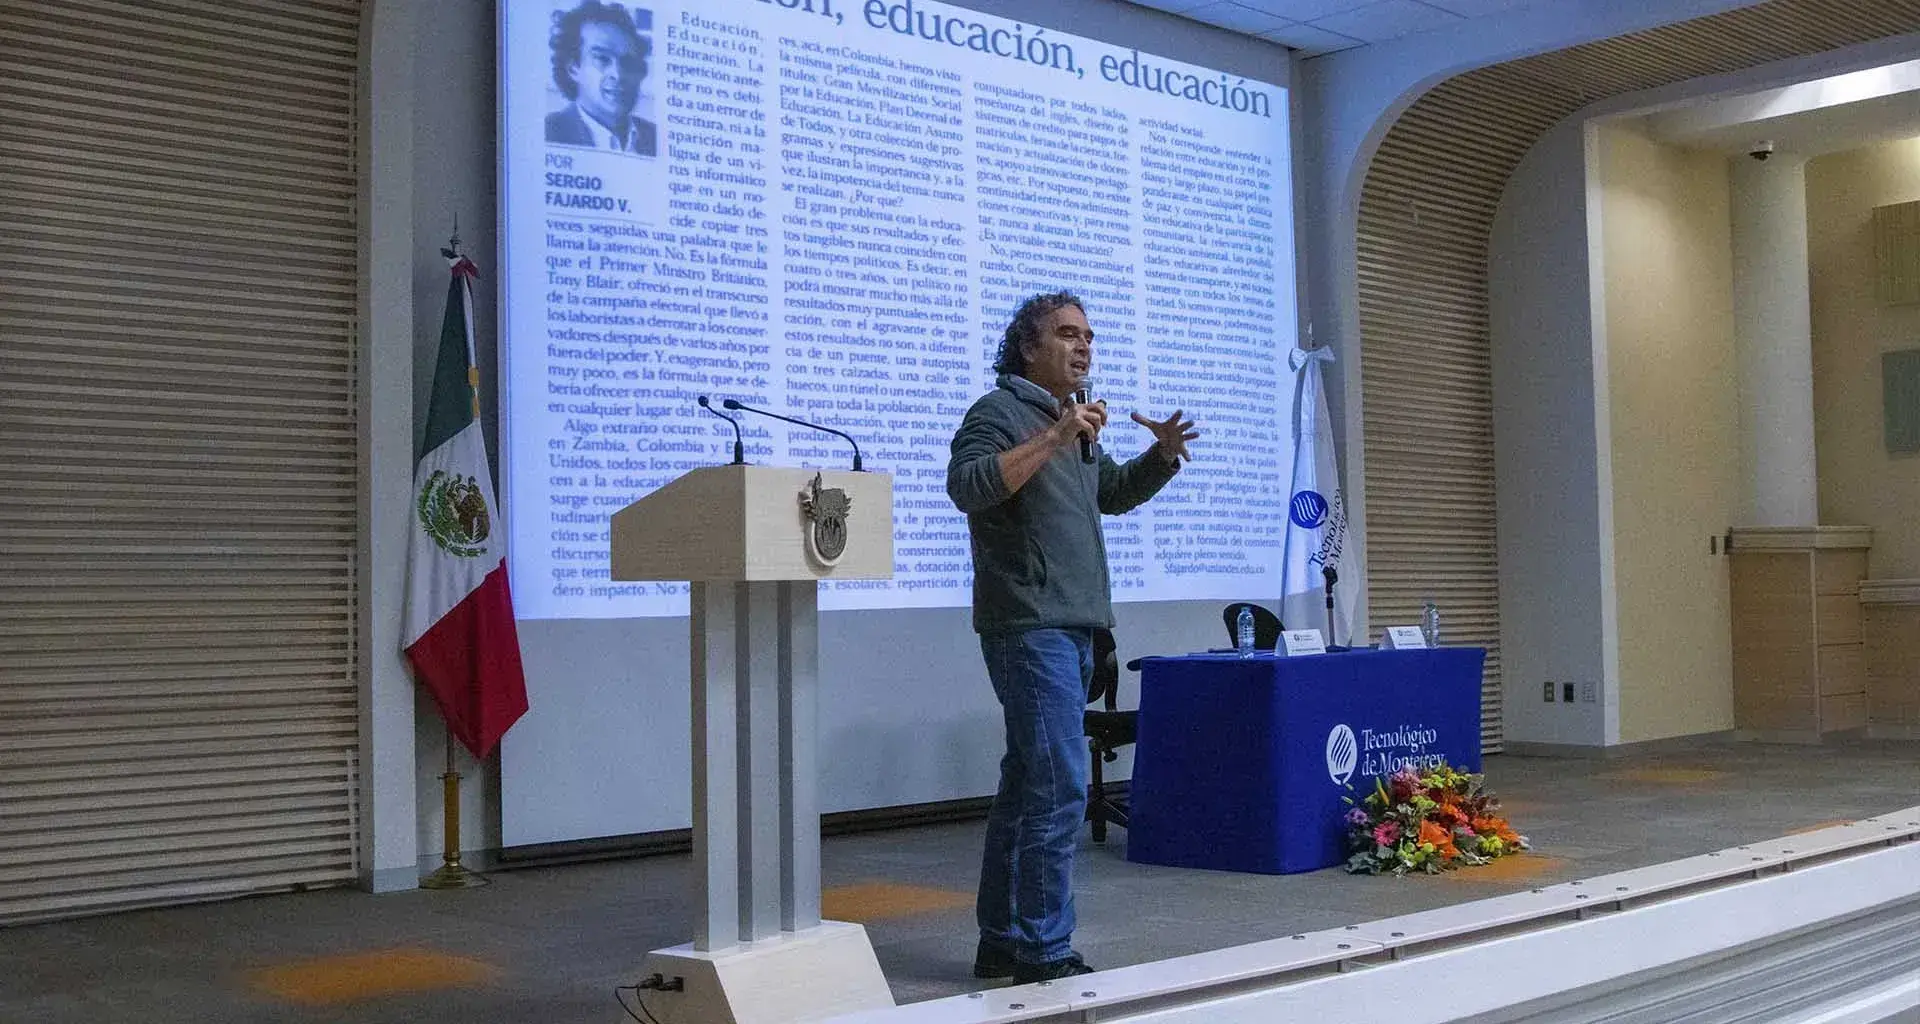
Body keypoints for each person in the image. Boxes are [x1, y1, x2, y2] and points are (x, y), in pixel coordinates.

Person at [946, 291, 1199, 983]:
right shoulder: (998, 414)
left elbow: (1109, 494)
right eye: (1067, 334)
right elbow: (967, 486)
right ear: (1028, 347)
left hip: (1073, 622)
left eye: (1089, 336)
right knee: (1057, 788)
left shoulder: (1072, 420)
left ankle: (1001, 939)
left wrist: (1160, 458)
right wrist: (1054, 439)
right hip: (1028, 624)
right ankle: (1042, 948)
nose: (1084, 346)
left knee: (1028, 782)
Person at [546, 1, 657, 156]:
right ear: (573, 68)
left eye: (628, 62)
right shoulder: (550, 132)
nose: (618, 75)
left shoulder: (656, 137)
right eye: (602, 59)